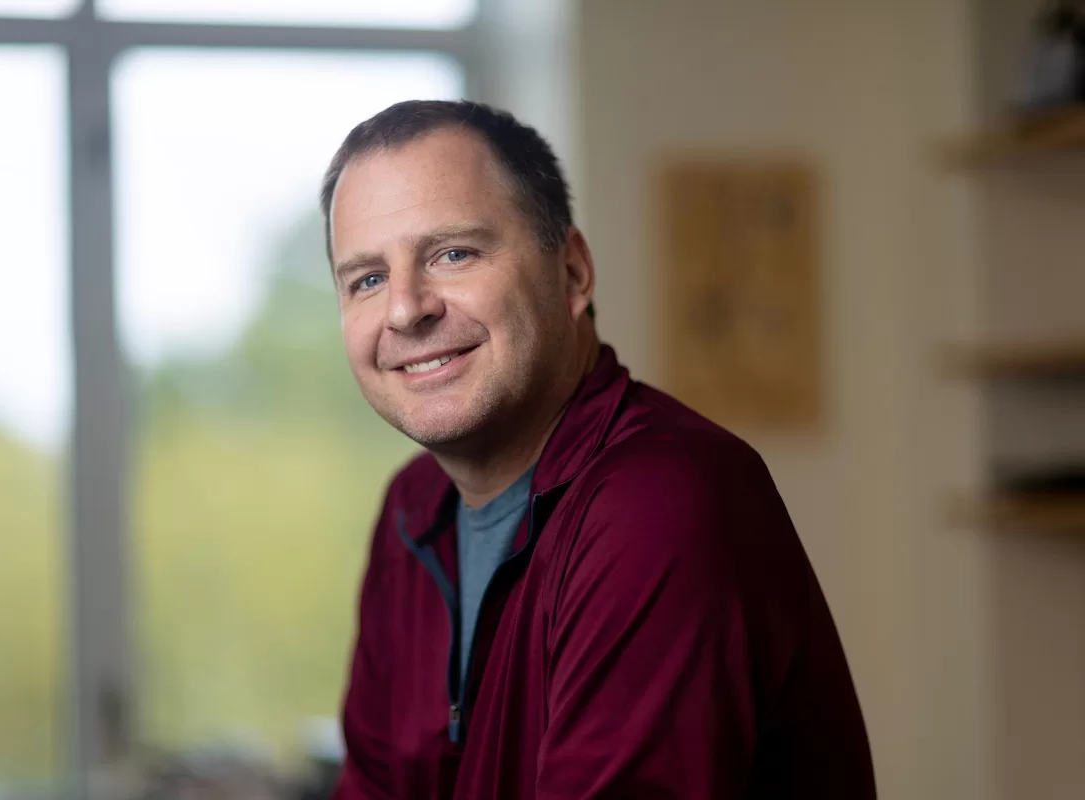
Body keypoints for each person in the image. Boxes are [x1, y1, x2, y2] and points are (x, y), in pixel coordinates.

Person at [321, 99, 875, 800]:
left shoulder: (662, 505)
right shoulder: (413, 511)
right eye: (367, 279)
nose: (405, 308)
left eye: (452, 253)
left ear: (574, 272)